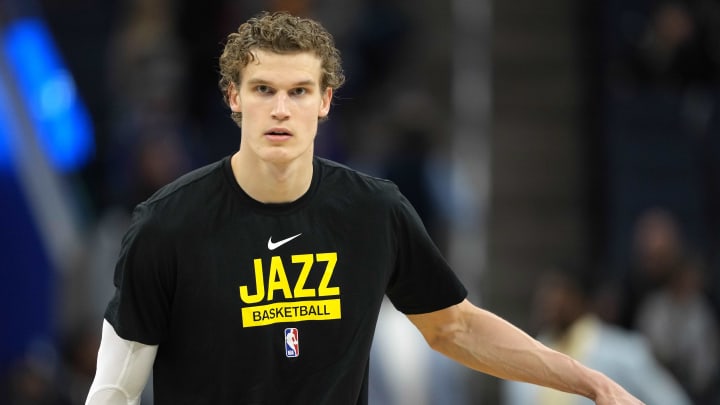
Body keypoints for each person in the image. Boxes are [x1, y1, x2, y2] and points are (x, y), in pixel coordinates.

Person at [85, 11, 644, 405]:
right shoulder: (167, 224)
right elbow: (114, 389)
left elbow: (455, 327)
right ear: (233, 97)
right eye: (263, 90)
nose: (281, 109)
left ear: (326, 101)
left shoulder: (373, 212)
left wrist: (592, 383)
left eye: (299, 91)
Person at [502, 267, 691, 405]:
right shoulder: (523, 358)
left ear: (581, 299)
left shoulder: (624, 351)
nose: (552, 304)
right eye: (546, 298)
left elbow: (671, 400)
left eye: (561, 296)